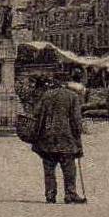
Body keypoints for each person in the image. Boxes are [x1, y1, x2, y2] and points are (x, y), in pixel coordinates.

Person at [29, 76, 86, 204]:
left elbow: (36, 113)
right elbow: (76, 120)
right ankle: (70, 194)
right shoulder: (72, 97)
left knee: (49, 167)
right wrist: (78, 137)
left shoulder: (46, 96)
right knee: (69, 167)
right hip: (66, 137)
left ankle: (50, 194)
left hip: (47, 136)